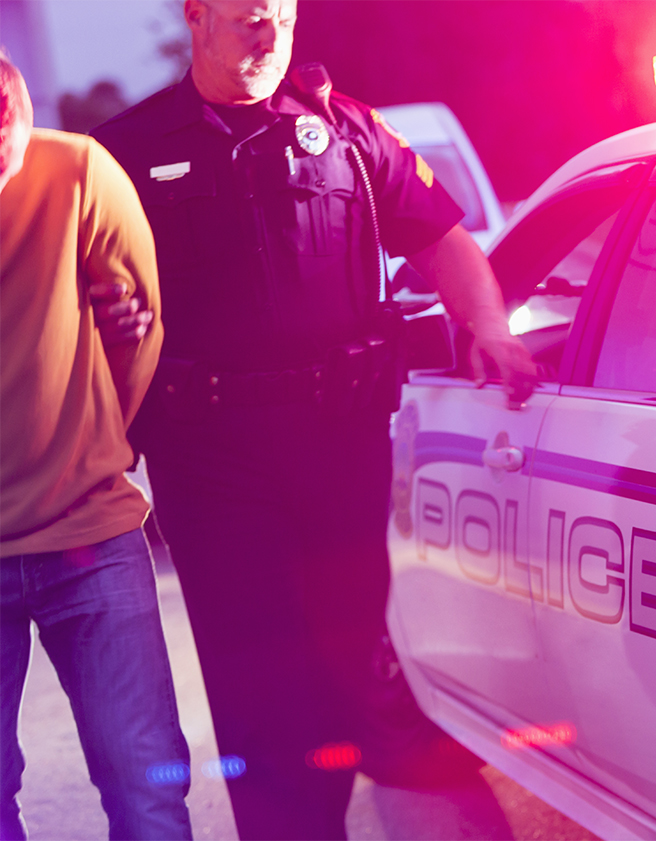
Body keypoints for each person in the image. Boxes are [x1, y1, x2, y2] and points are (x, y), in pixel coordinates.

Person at [90, 1, 537, 838]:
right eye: (247, 19)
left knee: (347, 665)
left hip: (339, 444)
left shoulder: (346, 133)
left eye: (280, 20)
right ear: (197, 16)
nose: (266, 37)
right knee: (256, 684)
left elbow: (442, 238)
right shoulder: (126, 151)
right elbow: (79, 282)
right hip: (209, 457)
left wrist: (487, 328)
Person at [0, 57, 191, 840]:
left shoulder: (79, 170)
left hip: (90, 533)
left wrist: (85, 444)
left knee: (145, 785)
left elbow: (137, 338)